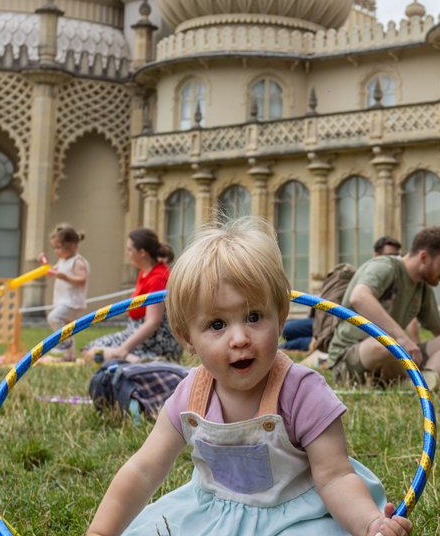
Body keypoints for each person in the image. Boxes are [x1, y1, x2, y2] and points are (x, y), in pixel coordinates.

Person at [86, 220, 412, 536]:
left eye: (253, 317)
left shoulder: (302, 392)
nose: (239, 338)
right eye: (217, 324)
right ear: (187, 339)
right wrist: (102, 531)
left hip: (296, 516)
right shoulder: (189, 396)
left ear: (281, 318)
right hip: (213, 515)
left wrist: (369, 524)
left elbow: (335, 477)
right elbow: (144, 470)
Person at [326, 226, 440, 391]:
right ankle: (420, 378)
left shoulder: (422, 288)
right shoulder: (385, 267)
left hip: (395, 355)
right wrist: (402, 338)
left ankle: (427, 380)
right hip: (351, 360)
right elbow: (359, 297)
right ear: (424, 257)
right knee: (387, 343)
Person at [280, 236, 403, 352]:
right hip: (328, 321)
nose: (394, 261)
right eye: (389, 256)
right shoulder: (369, 274)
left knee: (295, 343)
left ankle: (279, 349)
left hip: (345, 329)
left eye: (397, 256)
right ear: (377, 255)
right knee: (286, 329)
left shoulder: (397, 285)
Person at [81, 228, 182, 363]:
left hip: (155, 342)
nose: (127, 254)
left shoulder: (158, 277)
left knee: (92, 352)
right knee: (88, 351)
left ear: (142, 253)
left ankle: (139, 361)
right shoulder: (146, 272)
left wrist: (123, 348)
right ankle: (134, 360)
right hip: (139, 336)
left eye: (129, 250)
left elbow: (153, 323)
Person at [38, 224, 89, 362]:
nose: (56, 251)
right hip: (64, 302)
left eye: (59, 247)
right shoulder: (63, 260)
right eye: (54, 248)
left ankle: (64, 343)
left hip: (73, 303)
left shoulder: (77, 262)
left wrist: (65, 277)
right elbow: (51, 273)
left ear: (72, 245)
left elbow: (82, 280)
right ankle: (69, 356)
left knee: (54, 318)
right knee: (66, 327)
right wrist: (45, 265)